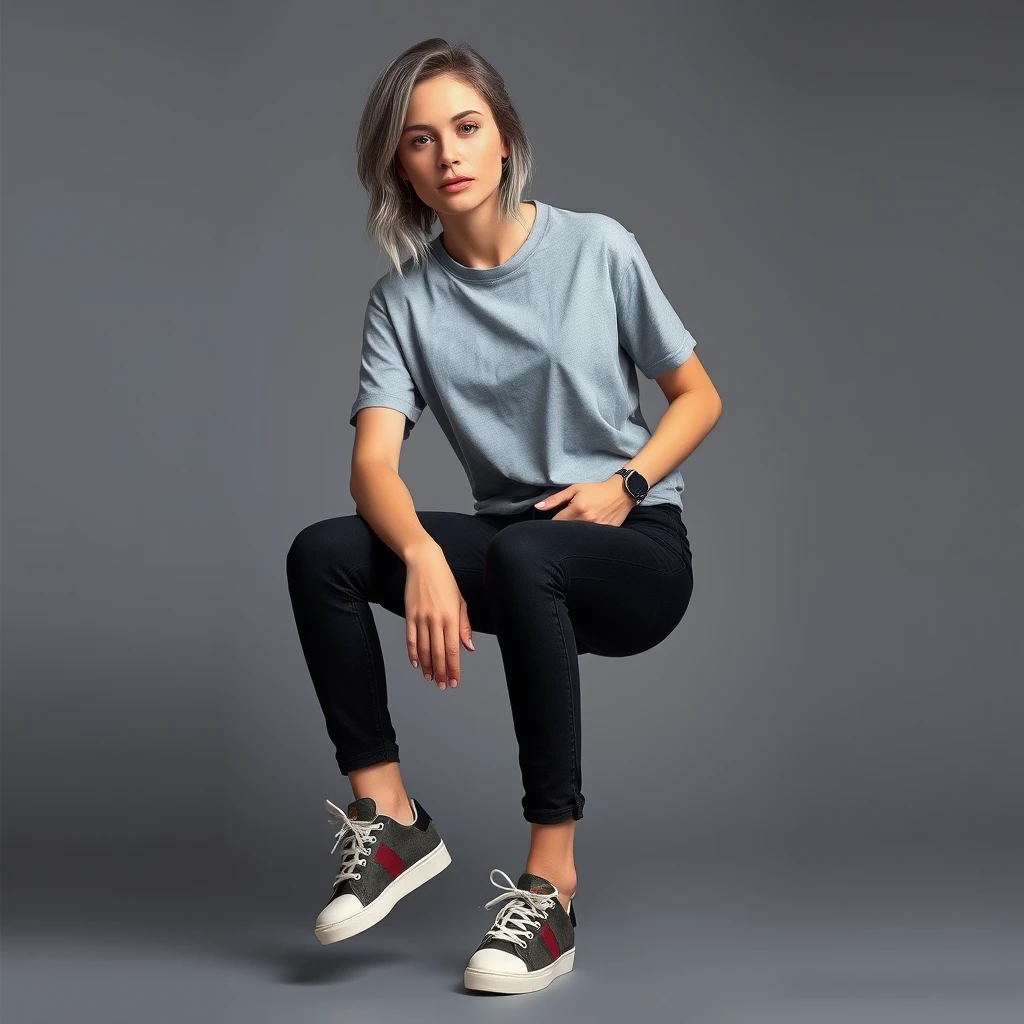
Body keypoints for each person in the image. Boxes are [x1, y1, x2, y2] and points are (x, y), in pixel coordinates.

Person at [286, 38, 722, 995]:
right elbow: (372, 465)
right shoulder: (402, 301)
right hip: (518, 545)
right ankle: (392, 819)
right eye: (419, 140)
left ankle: (552, 891)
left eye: (467, 127)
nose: (448, 153)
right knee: (323, 553)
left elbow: (697, 396)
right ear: (397, 166)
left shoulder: (598, 247)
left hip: (635, 549)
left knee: (527, 554)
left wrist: (631, 483)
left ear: (504, 135)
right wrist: (425, 558)